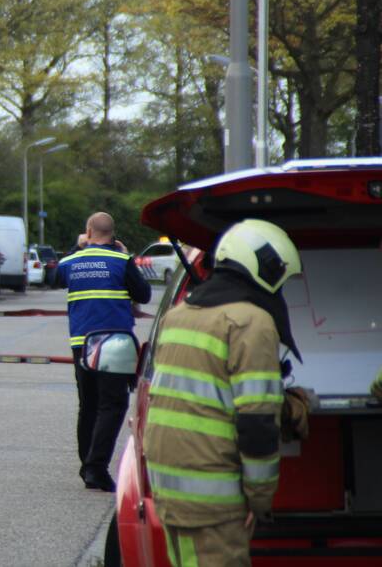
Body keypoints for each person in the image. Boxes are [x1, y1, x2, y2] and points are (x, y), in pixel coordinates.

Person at [144, 219, 302, 567]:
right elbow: (257, 424)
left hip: (172, 490)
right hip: (214, 499)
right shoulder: (251, 321)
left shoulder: (179, 315)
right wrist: (259, 501)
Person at [56, 212, 151, 492]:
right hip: (114, 343)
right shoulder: (122, 261)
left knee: (88, 405)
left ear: (88, 231)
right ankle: (96, 468)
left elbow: (54, 277)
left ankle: (88, 465)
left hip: (81, 343)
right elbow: (144, 294)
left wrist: (78, 246)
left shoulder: (71, 261)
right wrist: (124, 253)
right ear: (113, 234)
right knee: (113, 405)